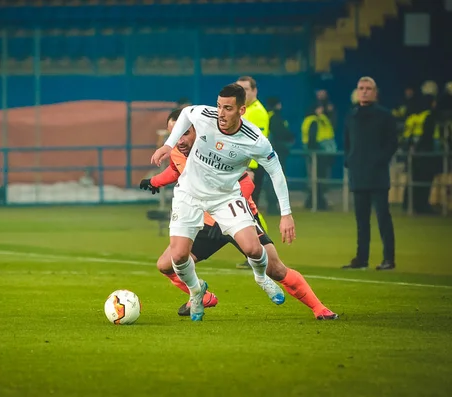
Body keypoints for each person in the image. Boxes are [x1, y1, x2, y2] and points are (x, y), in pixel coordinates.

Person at [141, 108, 338, 320]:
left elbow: (246, 181)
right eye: (175, 135)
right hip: (205, 222)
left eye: (185, 133)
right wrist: (154, 181)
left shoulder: (215, 147)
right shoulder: (177, 150)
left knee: (275, 269)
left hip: (237, 216)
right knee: (166, 264)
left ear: (198, 129)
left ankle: (319, 308)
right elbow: (176, 169)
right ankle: (201, 295)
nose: (180, 140)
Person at [149, 83, 296, 321]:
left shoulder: (256, 140)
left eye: (227, 108)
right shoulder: (205, 116)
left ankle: (261, 278)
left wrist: (286, 214)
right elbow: (186, 113)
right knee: (177, 257)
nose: (221, 113)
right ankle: (197, 291)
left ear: (241, 110)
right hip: (189, 194)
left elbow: (276, 172)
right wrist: (168, 144)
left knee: (253, 249)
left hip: (226, 197)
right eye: (219, 106)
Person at [342, 77, 398, 271]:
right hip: (358, 175)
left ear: (375, 92)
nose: (364, 91)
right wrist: (349, 160)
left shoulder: (385, 116)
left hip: (378, 176)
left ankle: (389, 259)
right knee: (361, 221)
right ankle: (361, 259)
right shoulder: (351, 115)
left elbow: (392, 143)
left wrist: (379, 161)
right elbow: (347, 142)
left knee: (383, 218)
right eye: (361, 88)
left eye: (368, 88)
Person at [236, 76, 269, 206]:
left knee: (249, 209)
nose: (242, 93)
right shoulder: (243, 109)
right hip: (241, 165)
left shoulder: (258, 112)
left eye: (245, 89)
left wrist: (249, 168)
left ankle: (258, 227)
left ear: (254, 91)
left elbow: (256, 143)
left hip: (251, 167)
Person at [301, 103, 336, 210]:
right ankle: (317, 203)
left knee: (316, 179)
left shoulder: (311, 120)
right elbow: (313, 138)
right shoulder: (314, 121)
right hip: (318, 154)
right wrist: (317, 152)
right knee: (318, 179)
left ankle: (314, 202)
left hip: (316, 153)